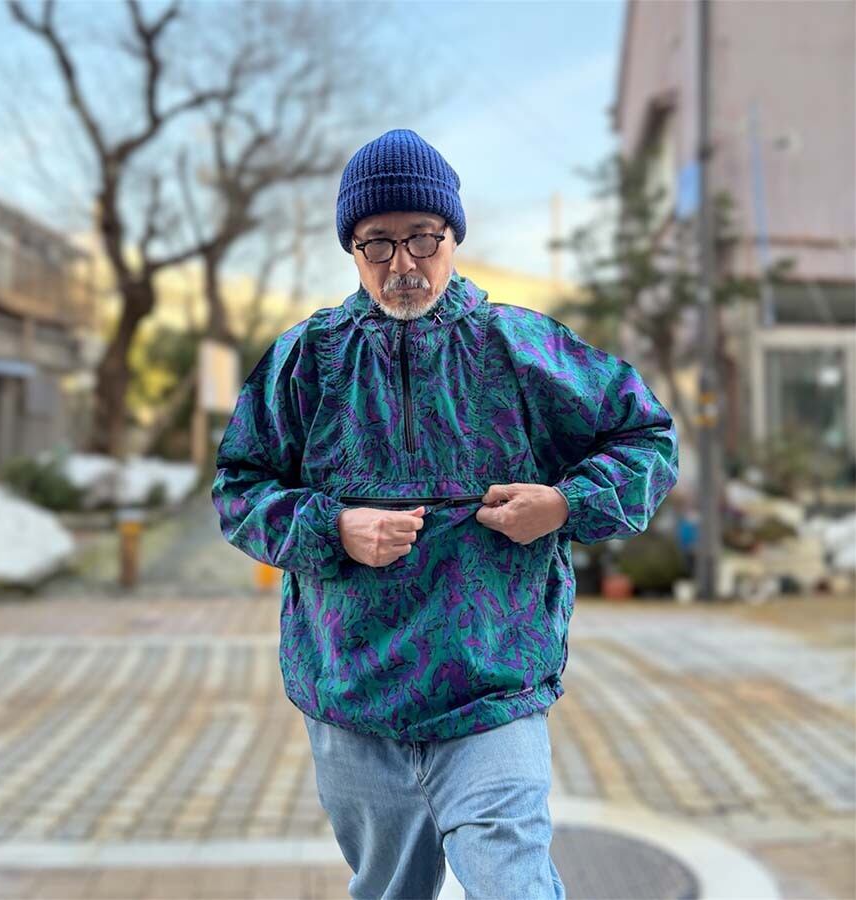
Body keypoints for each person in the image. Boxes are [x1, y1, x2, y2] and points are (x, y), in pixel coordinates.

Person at [213, 128, 679, 899]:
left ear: (453, 235)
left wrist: (564, 504)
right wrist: (333, 529)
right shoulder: (307, 361)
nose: (403, 263)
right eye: (377, 242)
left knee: (511, 883)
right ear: (352, 248)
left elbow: (647, 438)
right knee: (389, 890)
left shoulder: (523, 349)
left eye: (422, 237)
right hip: (353, 693)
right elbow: (238, 487)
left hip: (492, 688)